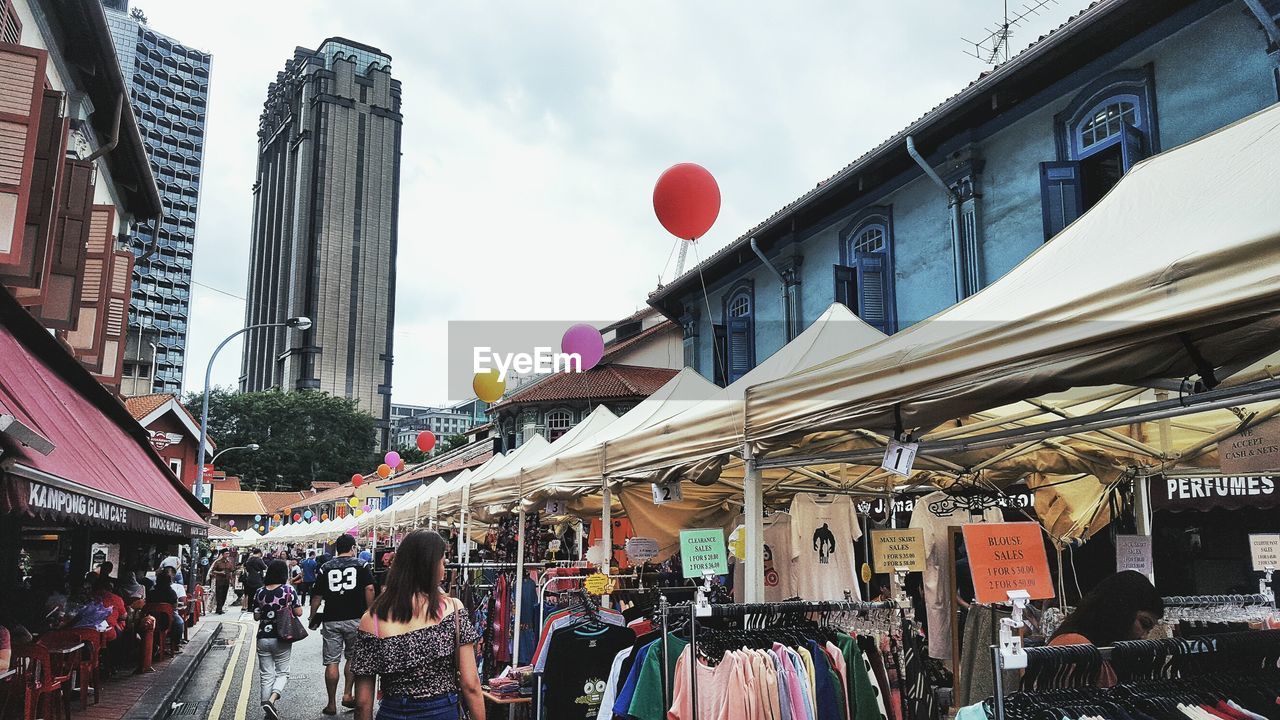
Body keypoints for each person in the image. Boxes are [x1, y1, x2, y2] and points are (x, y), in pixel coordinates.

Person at [352, 529, 484, 720]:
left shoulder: (371, 619)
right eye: (442, 562)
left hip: (393, 711)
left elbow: (363, 704)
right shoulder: (452, 609)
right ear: (430, 566)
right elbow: (470, 684)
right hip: (442, 711)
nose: (444, 568)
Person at [1050, 570, 1164, 686]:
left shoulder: (1106, 652)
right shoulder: (1074, 645)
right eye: (1144, 624)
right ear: (1123, 611)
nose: (1144, 636)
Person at [313, 534, 375, 715]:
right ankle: (347, 694)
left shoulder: (325, 567)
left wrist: (312, 616)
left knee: (332, 661)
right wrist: (369, 611)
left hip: (331, 618)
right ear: (353, 547)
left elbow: (317, 596)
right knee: (352, 658)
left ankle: (331, 703)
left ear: (337, 548)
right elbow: (370, 588)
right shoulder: (361, 565)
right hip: (356, 618)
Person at [255, 560, 303, 720]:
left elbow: (256, 616)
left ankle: (268, 708)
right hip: (282, 636)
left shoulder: (259, 592)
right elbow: (299, 612)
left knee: (266, 674)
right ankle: (272, 700)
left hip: (262, 637)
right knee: (282, 672)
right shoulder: (288, 590)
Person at [147, 570, 185, 652]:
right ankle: (176, 644)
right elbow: (174, 607)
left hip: (151, 620)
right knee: (180, 623)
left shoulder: (151, 592)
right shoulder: (171, 593)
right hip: (167, 620)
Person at [208, 549, 236, 614]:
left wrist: (232, 580)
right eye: (226, 553)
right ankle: (219, 609)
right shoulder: (218, 562)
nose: (227, 555)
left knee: (224, 595)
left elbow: (232, 570)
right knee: (219, 595)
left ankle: (221, 607)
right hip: (219, 580)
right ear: (222, 554)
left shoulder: (229, 562)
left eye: (228, 553)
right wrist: (220, 572)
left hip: (227, 580)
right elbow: (213, 571)